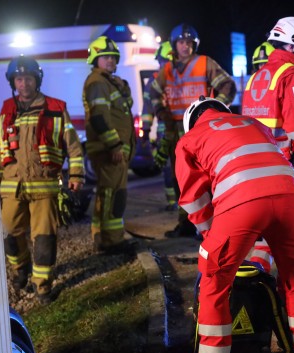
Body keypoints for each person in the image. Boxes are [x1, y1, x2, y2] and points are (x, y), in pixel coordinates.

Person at [176, 96, 294, 353]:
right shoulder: (252, 123)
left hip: (241, 203)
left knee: (214, 282)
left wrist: (209, 233)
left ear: (192, 120)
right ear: (222, 111)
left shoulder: (190, 139)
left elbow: (193, 198)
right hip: (288, 196)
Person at [0, 55, 85, 304]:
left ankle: (42, 287)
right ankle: (20, 271)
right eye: (19, 79)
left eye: (28, 78)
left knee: (43, 239)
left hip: (45, 188)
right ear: (13, 82)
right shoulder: (6, 110)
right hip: (12, 188)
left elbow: (72, 146)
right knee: (8, 234)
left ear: (36, 80)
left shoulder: (56, 108)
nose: (24, 84)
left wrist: (76, 175)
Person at [241, 16, 294, 271]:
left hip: (255, 167)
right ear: (292, 44)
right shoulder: (291, 75)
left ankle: (257, 280)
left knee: (267, 232)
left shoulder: (255, 78)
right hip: (287, 166)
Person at [152, 23, 237, 238]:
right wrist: (161, 112)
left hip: (200, 129)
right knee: (180, 178)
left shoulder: (204, 63)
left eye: (189, 42)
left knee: (206, 177)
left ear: (194, 44)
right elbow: (152, 92)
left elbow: (228, 86)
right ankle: (187, 224)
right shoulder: (167, 70)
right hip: (175, 132)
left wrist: (214, 110)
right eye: (181, 42)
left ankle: (212, 226)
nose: (185, 46)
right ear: (174, 44)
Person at [82, 36, 136, 253]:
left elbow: (125, 106)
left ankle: (102, 238)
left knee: (109, 193)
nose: (111, 61)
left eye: (113, 57)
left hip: (113, 149)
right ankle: (111, 241)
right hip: (108, 150)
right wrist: (114, 146)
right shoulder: (97, 82)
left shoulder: (107, 81)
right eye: (106, 57)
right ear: (96, 59)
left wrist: (125, 87)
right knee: (113, 195)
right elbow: (99, 117)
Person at [140, 40, 177, 211]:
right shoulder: (154, 81)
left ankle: (185, 203)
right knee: (169, 168)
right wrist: (146, 130)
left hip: (184, 131)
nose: (163, 65)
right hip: (167, 133)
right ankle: (173, 202)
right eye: (163, 62)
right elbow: (148, 108)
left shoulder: (185, 78)